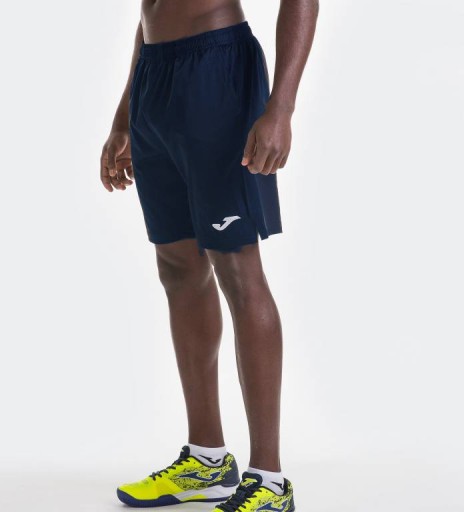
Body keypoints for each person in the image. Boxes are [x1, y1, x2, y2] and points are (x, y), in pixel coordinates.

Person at [100, 1, 318, 510]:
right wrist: (125, 115)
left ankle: (269, 481)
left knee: (238, 269)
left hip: (217, 71)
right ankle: (207, 460)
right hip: (154, 75)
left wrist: (281, 108)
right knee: (178, 269)